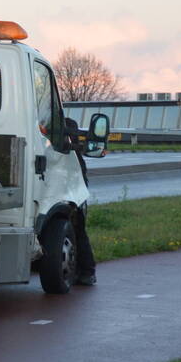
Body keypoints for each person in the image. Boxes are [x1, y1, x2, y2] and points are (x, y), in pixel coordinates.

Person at [65, 117, 97, 286]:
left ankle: (86, 271)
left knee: (77, 231)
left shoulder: (69, 153)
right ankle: (85, 271)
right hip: (76, 194)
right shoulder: (74, 152)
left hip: (73, 195)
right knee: (78, 231)